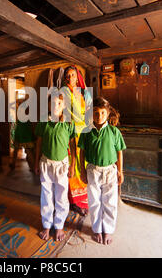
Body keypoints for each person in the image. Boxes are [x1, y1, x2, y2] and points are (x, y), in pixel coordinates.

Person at [78, 96, 126, 245]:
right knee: (94, 201)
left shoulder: (114, 132)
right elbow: (82, 152)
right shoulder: (87, 132)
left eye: (103, 113)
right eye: (96, 113)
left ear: (108, 113)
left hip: (110, 170)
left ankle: (108, 230)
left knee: (110, 201)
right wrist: (81, 170)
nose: (99, 116)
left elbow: (119, 152)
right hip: (92, 170)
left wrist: (120, 171)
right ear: (91, 114)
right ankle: (97, 228)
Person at [34, 94, 77, 242]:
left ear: (64, 106)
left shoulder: (68, 124)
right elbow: (38, 143)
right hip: (45, 163)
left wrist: (73, 165)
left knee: (61, 196)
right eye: (52, 103)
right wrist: (36, 162)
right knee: (46, 195)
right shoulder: (43, 122)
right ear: (47, 105)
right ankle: (46, 224)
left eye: (59, 103)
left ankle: (59, 225)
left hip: (62, 165)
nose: (55, 106)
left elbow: (73, 145)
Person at [62, 66, 92, 216]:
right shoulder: (63, 92)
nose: (70, 78)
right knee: (72, 165)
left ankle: (84, 199)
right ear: (64, 78)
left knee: (83, 165)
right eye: (67, 76)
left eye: (72, 75)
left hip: (83, 132)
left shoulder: (81, 93)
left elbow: (87, 111)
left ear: (77, 76)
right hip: (71, 133)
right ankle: (75, 201)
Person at [10, 100, 35, 170]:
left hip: (23, 131)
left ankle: (32, 167)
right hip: (22, 131)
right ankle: (32, 167)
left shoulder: (23, 111)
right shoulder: (25, 111)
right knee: (23, 150)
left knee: (26, 150)